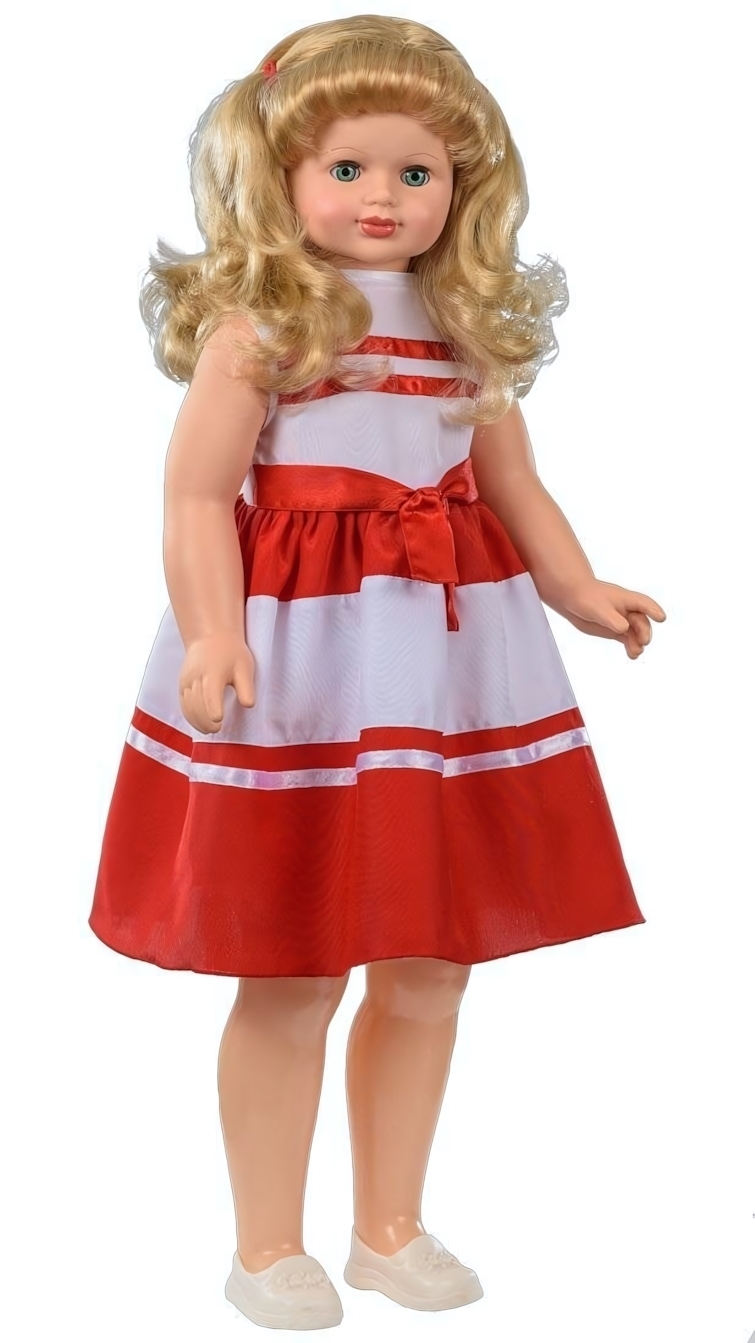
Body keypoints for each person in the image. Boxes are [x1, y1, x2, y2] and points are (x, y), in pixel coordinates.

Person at [89, 14, 666, 1331]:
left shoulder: (464, 328)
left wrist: (576, 586)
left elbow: (511, 482)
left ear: (464, 184)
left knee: (429, 956)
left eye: (417, 172)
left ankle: (388, 1224)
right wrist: (216, 630)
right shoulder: (265, 326)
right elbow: (197, 494)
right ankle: (265, 1243)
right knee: (293, 959)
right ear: (283, 173)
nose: (382, 197)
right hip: (301, 652)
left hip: (446, 654)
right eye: (347, 168)